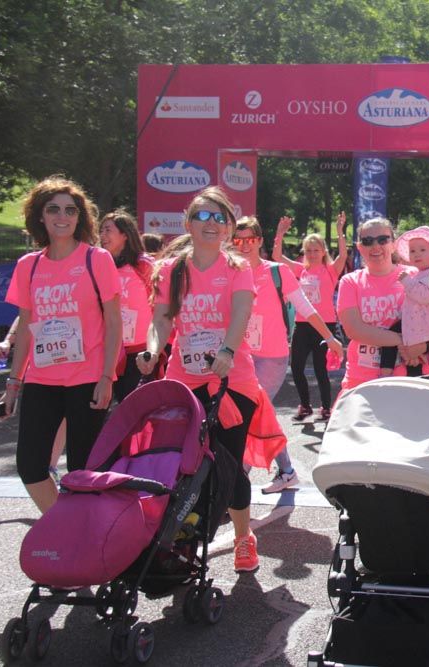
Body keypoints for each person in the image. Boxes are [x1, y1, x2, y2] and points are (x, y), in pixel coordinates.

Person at [136, 186, 262, 573]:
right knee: (179, 462)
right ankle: (182, 535)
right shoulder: (172, 270)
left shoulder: (237, 269)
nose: (211, 224)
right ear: (188, 222)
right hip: (183, 380)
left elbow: (240, 316)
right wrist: (153, 349)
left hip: (230, 382)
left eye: (219, 218)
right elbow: (161, 319)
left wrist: (225, 352)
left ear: (228, 227)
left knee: (227, 462)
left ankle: (244, 538)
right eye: (202, 217)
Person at [0, 176, 122, 513]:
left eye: (70, 210)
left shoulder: (96, 259)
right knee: (30, 466)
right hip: (42, 379)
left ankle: (83, 537)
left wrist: (107, 377)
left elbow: (113, 322)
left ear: (79, 217)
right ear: (40, 215)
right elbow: (26, 328)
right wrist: (13, 382)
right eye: (53, 209)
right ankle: (63, 525)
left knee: (83, 472)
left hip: (87, 379)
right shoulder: (29, 265)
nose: (62, 216)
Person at [232, 216, 342, 494]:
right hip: (239, 357)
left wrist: (329, 337)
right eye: (238, 240)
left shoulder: (277, 272)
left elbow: (305, 307)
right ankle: (288, 471)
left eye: (250, 239)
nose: (244, 245)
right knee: (261, 414)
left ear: (259, 241)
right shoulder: (231, 271)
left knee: (249, 413)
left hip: (272, 357)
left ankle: (236, 483)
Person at [336, 217, 429, 390]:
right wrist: (407, 343)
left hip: (414, 376)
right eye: (367, 241)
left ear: (393, 244)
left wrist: (423, 347)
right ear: (359, 247)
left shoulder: (415, 276)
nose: (375, 246)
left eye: (382, 239)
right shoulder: (350, 281)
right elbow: (354, 330)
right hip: (363, 381)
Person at [272, 215, 347, 421]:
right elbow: (277, 257)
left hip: (325, 326)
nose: (312, 254)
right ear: (304, 252)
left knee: (320, 369)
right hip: (302, 325)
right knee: (296, 367)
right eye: (309, 250)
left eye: (316, 250)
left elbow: (343, 254)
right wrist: (280, 233)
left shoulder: (331, 270)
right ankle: (305, 406)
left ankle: (325, 407)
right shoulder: (300, 270)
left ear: (323, 251)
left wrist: (340, 231)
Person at [378, 226, 429, 376]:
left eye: (422, 250)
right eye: (412, 251)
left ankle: (388, 372)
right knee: (397, 337)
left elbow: (425, 296)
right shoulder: (423, 273)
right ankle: (388, 370)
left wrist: (408, 282)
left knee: (412, 355)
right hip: (418, 322)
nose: (416, 254)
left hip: (423, 324)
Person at [99, 209, 154, 402]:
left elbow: (161, 305)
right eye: (101, 231)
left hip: (138, 352)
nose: (102, 236)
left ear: (124, 234)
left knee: (134, 408)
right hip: (104, 349)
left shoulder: (144, 266)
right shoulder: (96, 266)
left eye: (108, 230)